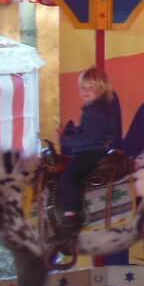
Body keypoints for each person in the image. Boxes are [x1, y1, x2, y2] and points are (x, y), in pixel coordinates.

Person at [55, 66, 123, 249]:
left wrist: (66, 140)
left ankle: (71, 216)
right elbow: (87, 131)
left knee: (68, 177)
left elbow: (90, 138)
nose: (84, 91)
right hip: (94, 149)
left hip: (92, 152)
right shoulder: (96, 108)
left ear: (101, 88)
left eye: (90, 87)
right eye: (82, 87)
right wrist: (71, 132)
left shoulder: (96, 111)